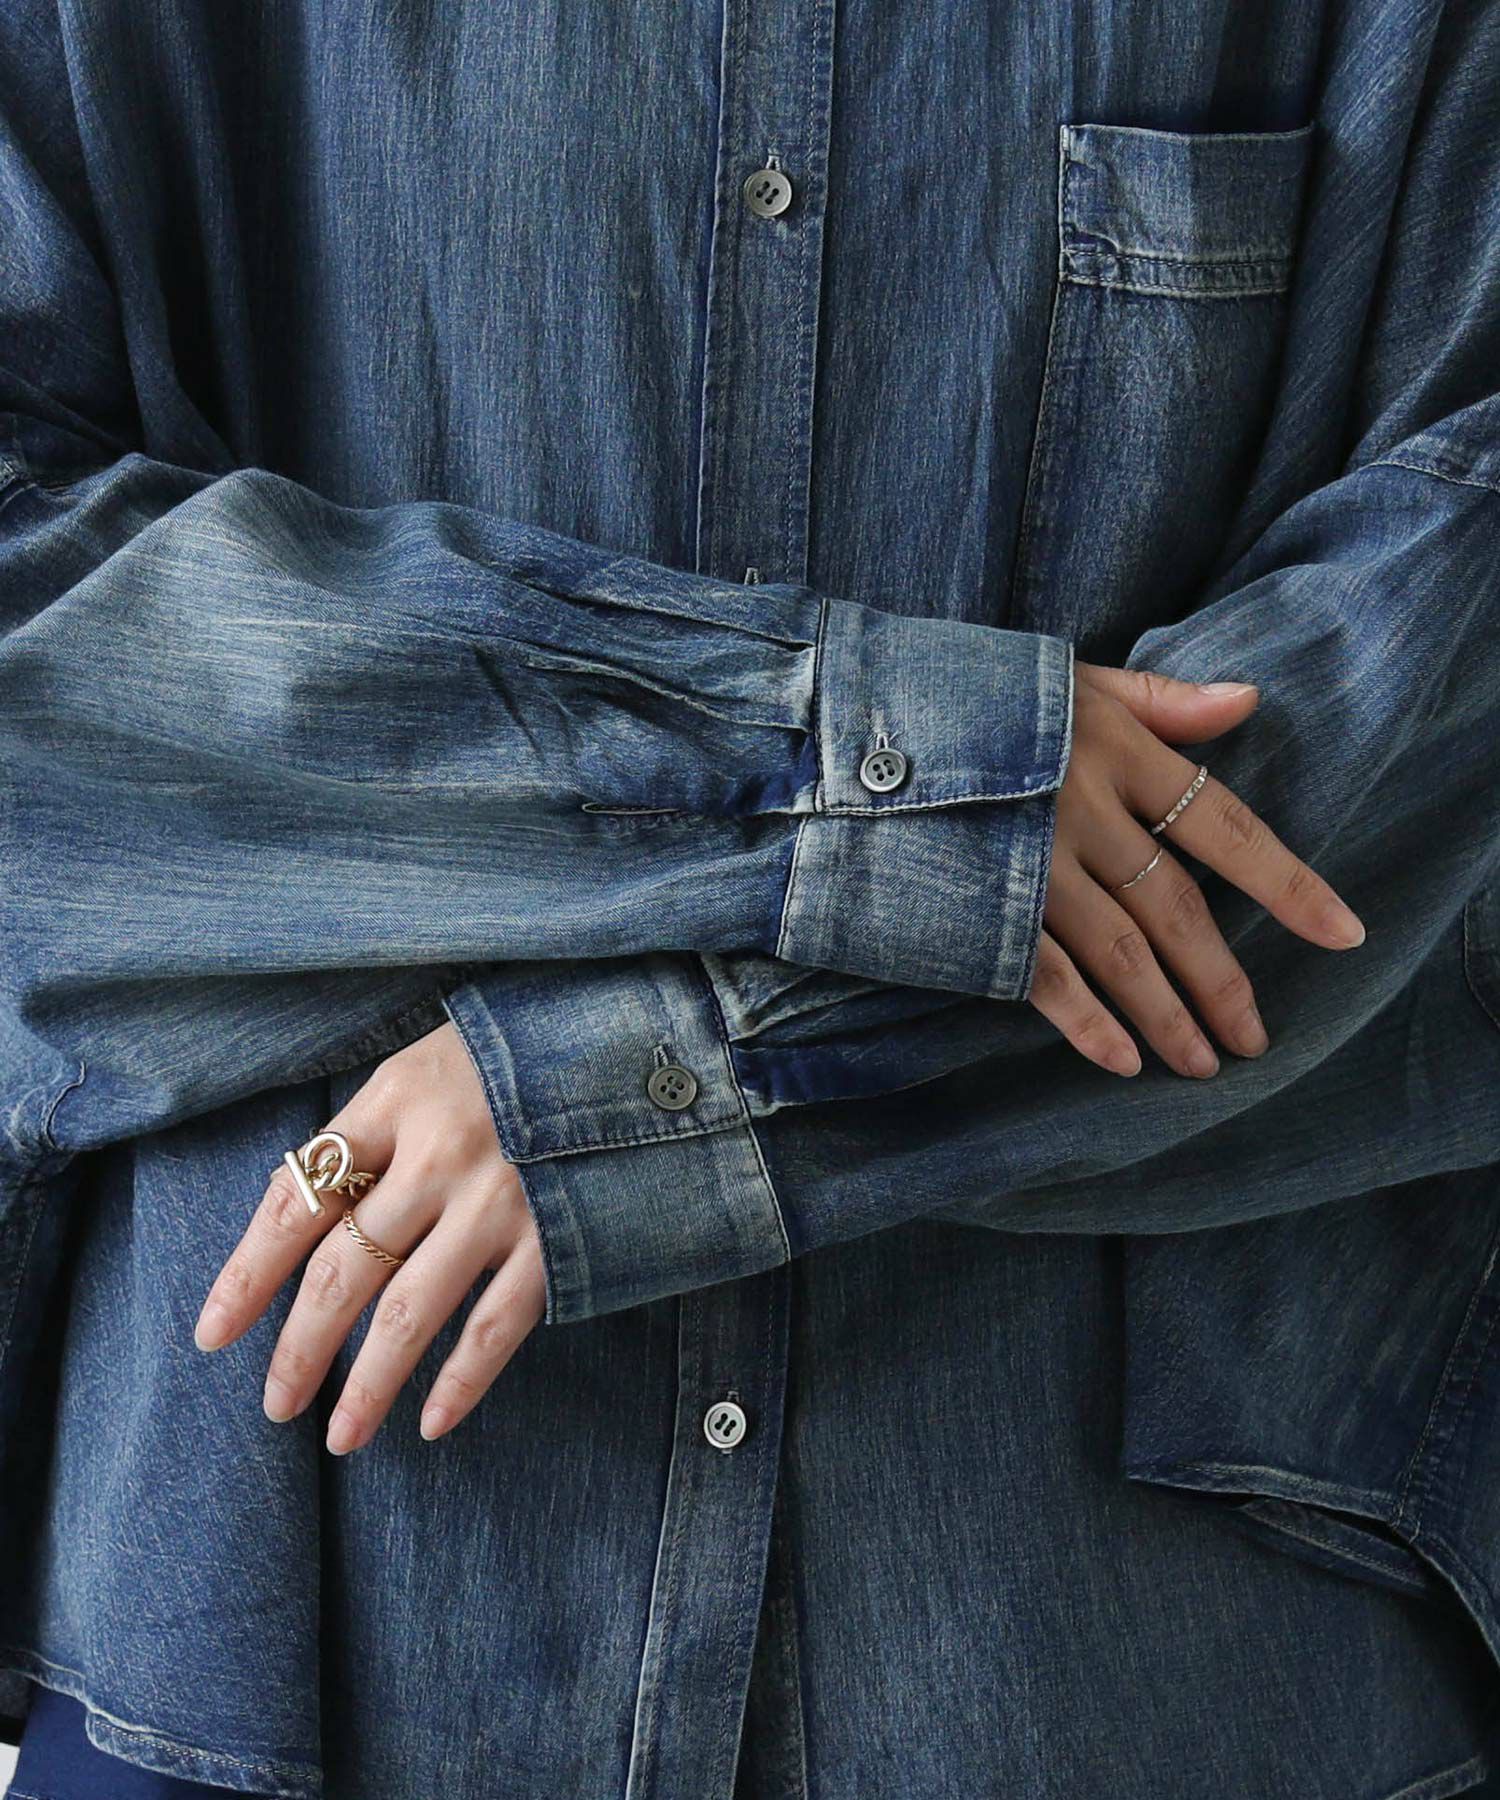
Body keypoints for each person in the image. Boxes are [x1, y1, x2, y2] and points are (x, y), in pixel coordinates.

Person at [2, 0, 1499, 1795]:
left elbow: (1444, 661)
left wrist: (652, 1088)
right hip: (291, 1589)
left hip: (1123, 1652)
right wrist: (854, 763)